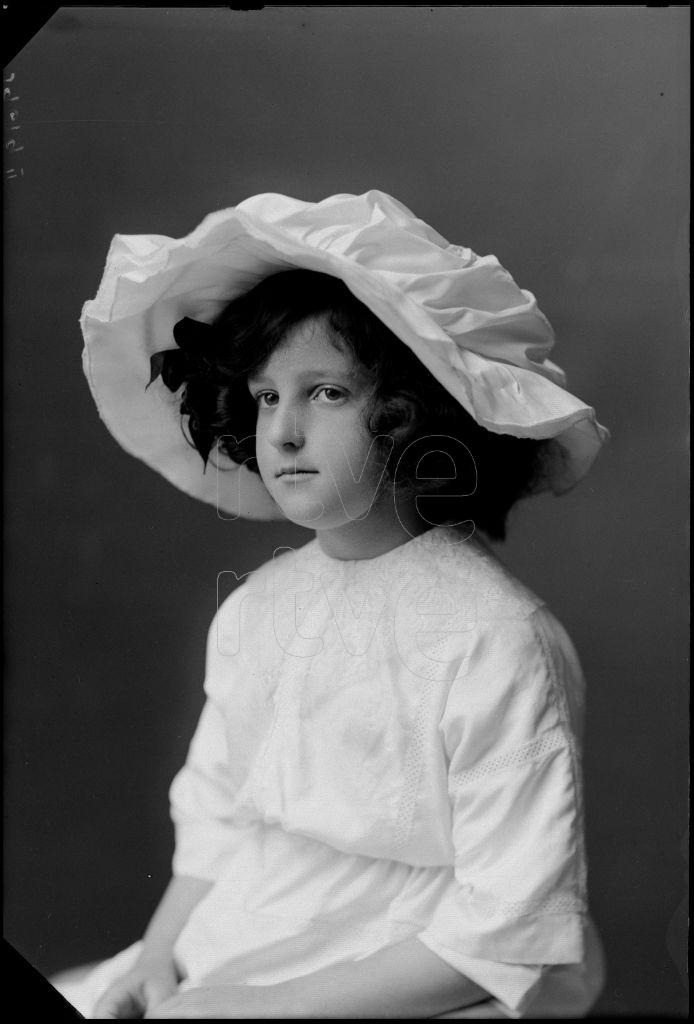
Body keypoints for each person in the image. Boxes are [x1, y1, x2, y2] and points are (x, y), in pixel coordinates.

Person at [55, 190, 609, 1018]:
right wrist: (160, 956)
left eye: (326, 393)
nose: (282, 432)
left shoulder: (496, 638)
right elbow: (220, 814)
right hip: (249, 927)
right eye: (267, 396)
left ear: (413, 413)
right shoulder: (257, 609)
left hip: (412, 972)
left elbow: (506, 930)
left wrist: (254, 1009)